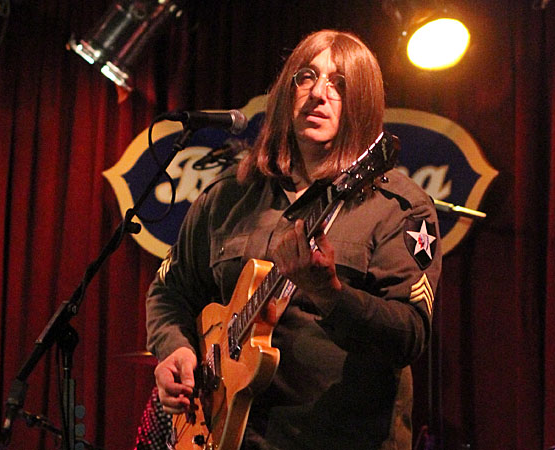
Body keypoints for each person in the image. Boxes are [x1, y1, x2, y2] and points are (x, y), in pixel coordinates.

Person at [145, 29, 441, 450]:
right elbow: (169, 290)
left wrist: (331, 294)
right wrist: (174, 348)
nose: (319, 93)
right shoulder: (228, 195)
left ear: (362, 103)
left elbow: (409, 335)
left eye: (339, 84)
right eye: (307, 77)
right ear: (287, 91)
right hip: (228, 437)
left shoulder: (400, 206)